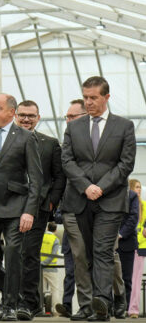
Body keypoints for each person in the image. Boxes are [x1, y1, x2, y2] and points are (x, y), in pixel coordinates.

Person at [61, 76, 136, 321]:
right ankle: (87, 305)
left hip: (110, 200)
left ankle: (102, 304)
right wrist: (86, 187)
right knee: (84, 255)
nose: (89, 102)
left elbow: (125, 164)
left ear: (107, 97)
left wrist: (100, 187)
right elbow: (67, 161)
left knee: (103, 251)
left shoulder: (124, 126)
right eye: (85, 98)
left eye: (94, 97)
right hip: (80, 200)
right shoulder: (74, 127)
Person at [0, 93, 42, 321]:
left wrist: (30, 211)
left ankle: (9, 306)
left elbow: (36, 179)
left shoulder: (25, 137)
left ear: (11, 112)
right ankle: (15, 295)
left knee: (13, 251)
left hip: (16, 206)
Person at [15, 100, 66, 319]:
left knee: (30, 254)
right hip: (9, 206)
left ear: (38, 117)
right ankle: (16, 300)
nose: (26, 119)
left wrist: (51, 202)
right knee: (12, 254)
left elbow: (59, 176)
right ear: (16, 115)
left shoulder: (50, 143)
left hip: (39, 207)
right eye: (23, 115)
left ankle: (29, 303)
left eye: (31, 115)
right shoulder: (7, 140)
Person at [56, 99, 92, 320]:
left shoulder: (96, 142)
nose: (68, 121)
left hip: (95, 209)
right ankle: (73, 304)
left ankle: (109, 301)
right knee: (74, 264)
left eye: (72, 116)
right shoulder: (64, 146)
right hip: (70, 211)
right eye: (66, 117)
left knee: (96, 260)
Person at [115, 186, 139, 318]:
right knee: (109, 278)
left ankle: (124, 308)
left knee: (126, 278)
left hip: (126, 242)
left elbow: (133, 218)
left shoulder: (132, 195)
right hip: (108, 242)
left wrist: (120, 234)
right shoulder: (108, 193)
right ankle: (110, 306)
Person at [128, 179, 145, 319]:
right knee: (125, 278)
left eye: (139, 187)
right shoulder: (126, 204)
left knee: (137, 279)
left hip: (140, 247)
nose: (138, 190)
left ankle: (133, 309)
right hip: (128, 245)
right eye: (136, 187)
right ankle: (122, 306)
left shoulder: (145, 205)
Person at [40, 222, 62, 316]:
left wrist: (41, 264)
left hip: (40, 268)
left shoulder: (41, 237)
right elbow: (53, 255)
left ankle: (41, 309)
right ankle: (56, 310)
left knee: (42, 290)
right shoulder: (55, 240)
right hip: (51, 268)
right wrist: (46, 263)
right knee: (55, 289)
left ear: (47, 228)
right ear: (55, 230)